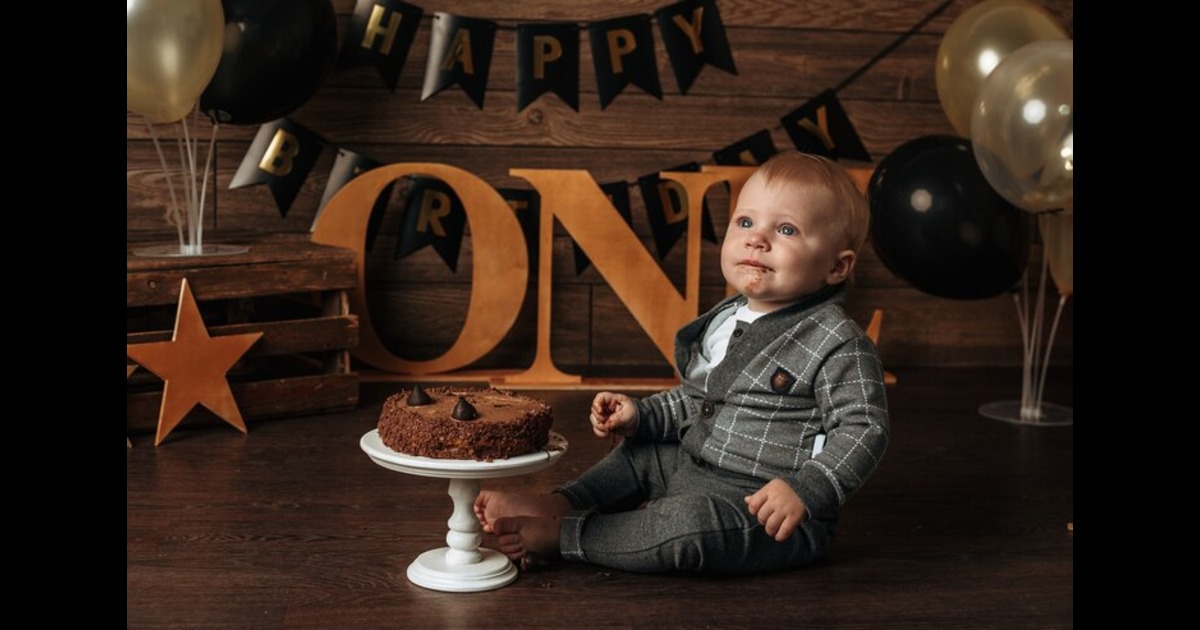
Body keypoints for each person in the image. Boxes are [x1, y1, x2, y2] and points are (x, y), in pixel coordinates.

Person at [475, 151, 890, 573]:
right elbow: (699, 400)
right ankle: (562, 503)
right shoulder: (729, 319)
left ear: (837, 267)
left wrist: (807, 489)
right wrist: (642, 414)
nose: (757, 238)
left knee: (688, 529)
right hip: (694, 464)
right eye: (745, 222)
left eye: (786, 229)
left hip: (764, 509)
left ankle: (569, 534)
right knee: (643, 453)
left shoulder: (838, 342)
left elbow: (864, 429)